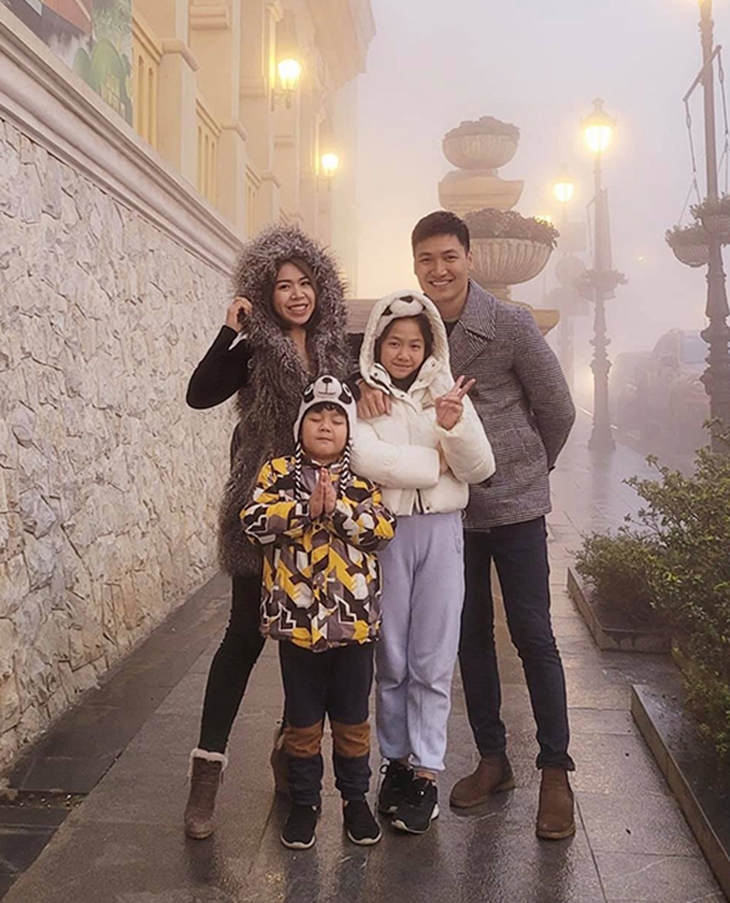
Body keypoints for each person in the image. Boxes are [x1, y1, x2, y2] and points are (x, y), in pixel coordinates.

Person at [358, 211, 577, 840]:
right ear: (415, 264)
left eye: (449, 256)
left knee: (533, 634)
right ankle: (492, 758)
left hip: (514, 506)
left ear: (469, 258)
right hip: (451, 515)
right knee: (469, 639)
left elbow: (558, 408)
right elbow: (376, 374)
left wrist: (532, 468)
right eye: (426, 259)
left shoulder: (508, 323)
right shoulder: (414, 328)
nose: (439, 269)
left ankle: (555, 769)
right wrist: (362, 387)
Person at [183, 226, 351, 840]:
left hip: (322, 512)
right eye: (283, 286)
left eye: (306, 282)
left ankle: (290, 753)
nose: (297, 294)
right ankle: (206, 775)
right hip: (261, 510)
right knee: (242, 638)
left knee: (304, 641)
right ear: (265, 292)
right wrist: (229, 330)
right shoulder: (252, 347)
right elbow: (200, 394)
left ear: (321, 287)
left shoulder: (339, 348)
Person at [351, 291, 495, 835]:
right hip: (386, 535)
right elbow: (362, 457)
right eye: (394, 343)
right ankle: (394, 763)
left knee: (432, 658)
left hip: (440, 533)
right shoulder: (364, 399)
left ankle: (427, 773)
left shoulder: (447, 395)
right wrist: (433, 462)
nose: (404, 353)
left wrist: (453, 427)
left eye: (414, 344)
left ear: (430, 347)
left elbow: (479, 468)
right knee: (391, 657)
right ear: (377, 345)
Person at [241, 376, 396, 849]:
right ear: (300, 425)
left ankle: (355, 801)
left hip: (353, 625)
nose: (326, 426)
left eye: (336, 419)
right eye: (316, 417)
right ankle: (305, 803)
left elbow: (382, 530)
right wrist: (303, 511)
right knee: (302, 721)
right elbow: (253, 521)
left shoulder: (364, 482)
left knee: (352, 718)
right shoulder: (278, 474)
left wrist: (338, 511)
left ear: (349, 430)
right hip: (298, 626)